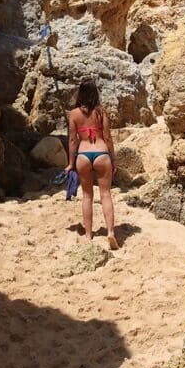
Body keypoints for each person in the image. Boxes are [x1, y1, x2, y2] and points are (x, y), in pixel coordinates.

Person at [66, 79, 119, 250]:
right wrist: (113, 159)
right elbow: (108, 137)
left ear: (80, 93)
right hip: (101, 153)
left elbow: (73, 140)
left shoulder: (73, 114)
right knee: (106, 195)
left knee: (87, 196)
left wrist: (70, 163)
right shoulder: (101, 112)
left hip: (83, 154)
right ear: (96, 93)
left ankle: (88, 235)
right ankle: (110, 232)